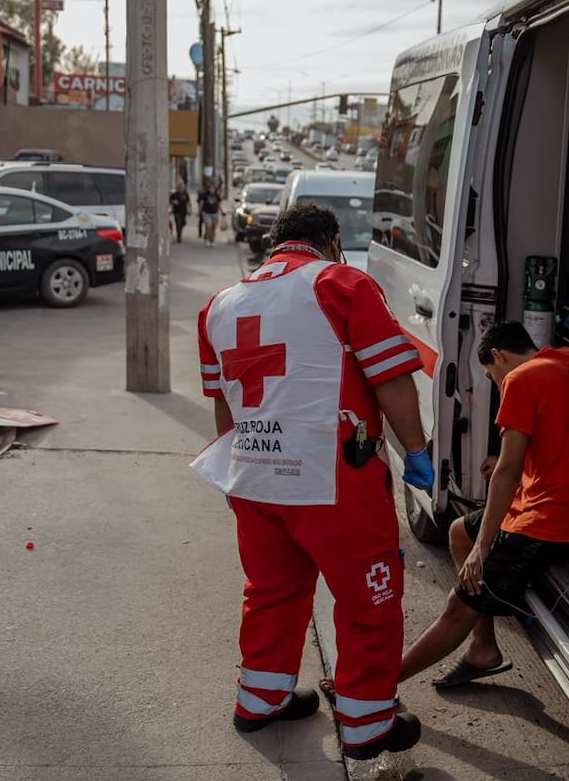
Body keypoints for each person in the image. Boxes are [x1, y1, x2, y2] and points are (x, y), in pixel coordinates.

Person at [191, 202, 434, 760]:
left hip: (255, 476)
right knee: (369, 601)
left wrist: (236, 471)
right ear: (329, 240)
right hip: (331, 480)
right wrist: (416, 451)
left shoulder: (219, 307)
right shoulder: (341, 283)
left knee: (271, 591)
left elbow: (223, 404)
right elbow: (391, 376)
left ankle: (260, 699)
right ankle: (369, 724)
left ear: (277, 242)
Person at [398, 321, 569, 688]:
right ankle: (483, 647)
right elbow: (554, 433)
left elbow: (506, 472)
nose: (496, 382)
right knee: (458, 531)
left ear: (500, 356)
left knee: (459, 604)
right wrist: (498, 457)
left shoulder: (520, 379)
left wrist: (483, 548)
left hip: (551, 520)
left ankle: (377, 686)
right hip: (564, 503)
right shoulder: (566, 359)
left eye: (491, 374)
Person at [199, 181, 221, 248]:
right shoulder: (205, 195)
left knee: (213, 228)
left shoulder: (217, 195)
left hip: (215, 213)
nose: (212, 190)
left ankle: (212, 240)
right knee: (209, 226)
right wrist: (199, 211)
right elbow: (202, 203)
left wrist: (222, 211)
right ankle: (207, 240)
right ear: (208, 189)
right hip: (206, 213)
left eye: (213, 188)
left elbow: (219, 204)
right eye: (210, 188)